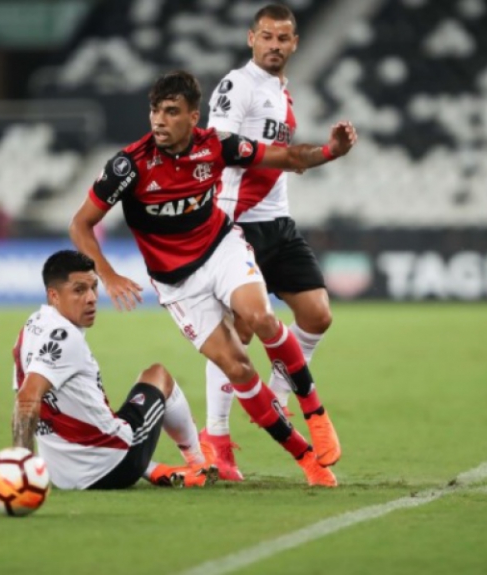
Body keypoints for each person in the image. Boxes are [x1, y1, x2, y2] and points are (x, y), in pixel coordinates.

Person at [69, 70, 356, 487]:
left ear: (192, 116)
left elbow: (288, 159)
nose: (158, 121)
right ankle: (306, 459)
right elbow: (80, 223)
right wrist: (108, 275)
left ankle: (314, 410)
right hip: (177, 285)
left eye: (170, 112)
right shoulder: (129, 164)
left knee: (260, 318)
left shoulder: (216, 146)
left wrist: (331, 150)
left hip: (221, 249)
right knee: (237, 367)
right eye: (154, 111)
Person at [201, 3, 343, 481]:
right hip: (236, 223)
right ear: (251, 39)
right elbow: (219, 147)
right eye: (267, 37)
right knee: (236, 334)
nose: (275, 46)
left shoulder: (282, 92)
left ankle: (278, 396)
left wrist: (316, 155)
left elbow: (280, 156)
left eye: (283, 39)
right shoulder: (236, 86)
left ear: (295, 43)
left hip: (278, 222)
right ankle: (216, 437)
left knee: (317, 313)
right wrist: (294, 156)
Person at [11, 249, 217, 490]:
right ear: (53, 295)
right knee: (157, 375)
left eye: (93, 287)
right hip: (113, 466)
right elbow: (27, 398)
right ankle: (199, 460)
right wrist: (22, 473)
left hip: (61, 475)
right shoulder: (66, 337)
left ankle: (155, 469)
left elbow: (23, 394)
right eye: (79, 290)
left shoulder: (30, 328)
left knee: (96, 413)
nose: (91, 298)